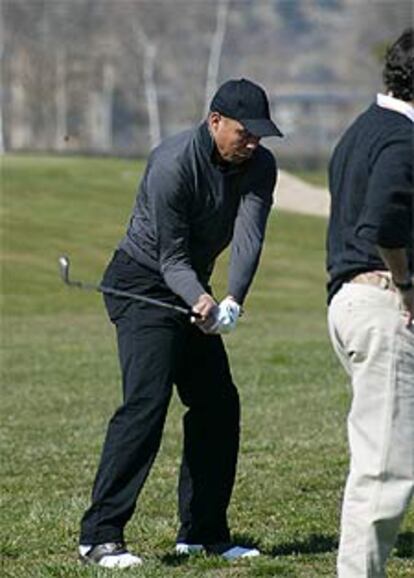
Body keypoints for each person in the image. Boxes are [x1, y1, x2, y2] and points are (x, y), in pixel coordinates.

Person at [78, 78, 283, 568]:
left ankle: (202, 533)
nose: (252, 142)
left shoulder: (260, 166)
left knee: (217, 404)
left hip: (197, 290)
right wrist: (201, 299)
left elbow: (250, 235)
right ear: (214, 122)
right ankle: (99, 535)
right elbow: (170, 258)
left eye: (259, 135)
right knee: (147, 402)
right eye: (243, 133)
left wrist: (233, 299)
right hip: (142, 283)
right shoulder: (172, 164)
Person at [326, 29, 414, 578]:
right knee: (383, 469)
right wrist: (405, 283)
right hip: (383, 302)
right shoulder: (403, 140)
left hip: (351, 302)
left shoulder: (362, 131)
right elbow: (380, 221)